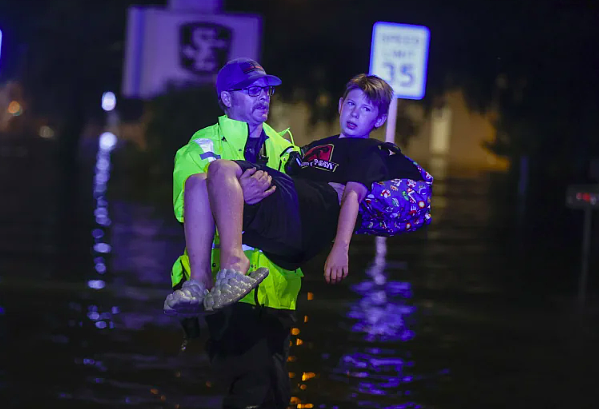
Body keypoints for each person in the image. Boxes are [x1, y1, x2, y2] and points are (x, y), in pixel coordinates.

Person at [165, 73, 424, 316]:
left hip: (307, 220)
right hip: (287, 213)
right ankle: (198, 283)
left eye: (366, 109)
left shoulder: (369, 151)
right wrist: (243, 193)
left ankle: (234, 266)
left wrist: (340, 249)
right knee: (198, 181)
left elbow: (352, 197)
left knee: (220, 168)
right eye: (352, 105)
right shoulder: (314, 147)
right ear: (340, 104)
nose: (355, 113)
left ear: (379, 120)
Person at [170, 58, 302, 409]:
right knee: (253, 388)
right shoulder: (203, 145)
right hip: (224, 290)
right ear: (227, 99)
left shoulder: (286, 150)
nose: (264, 97)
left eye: (267, 90)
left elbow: (297, 212)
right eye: (253, 90)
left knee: (272, 391)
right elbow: (186, 207)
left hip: (275, 292)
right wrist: (242, 195)